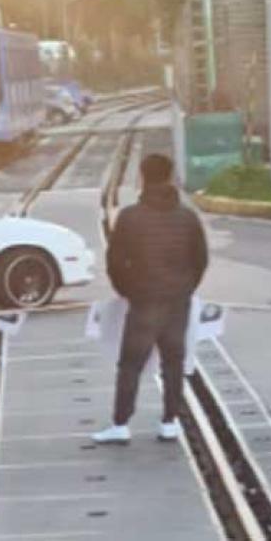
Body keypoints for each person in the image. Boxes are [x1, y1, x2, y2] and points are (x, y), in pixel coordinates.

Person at [92, 154, 209, 444]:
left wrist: (128, 291)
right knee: (173, 362)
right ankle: (169, 422)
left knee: (131, 364)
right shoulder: (187, 217)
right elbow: (200, 259)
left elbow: (115, 261)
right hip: (177, 301)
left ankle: (120, 424)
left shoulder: (131, 217)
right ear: (171, 177)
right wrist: (184, 288)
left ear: (142, 177)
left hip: (144, 301)